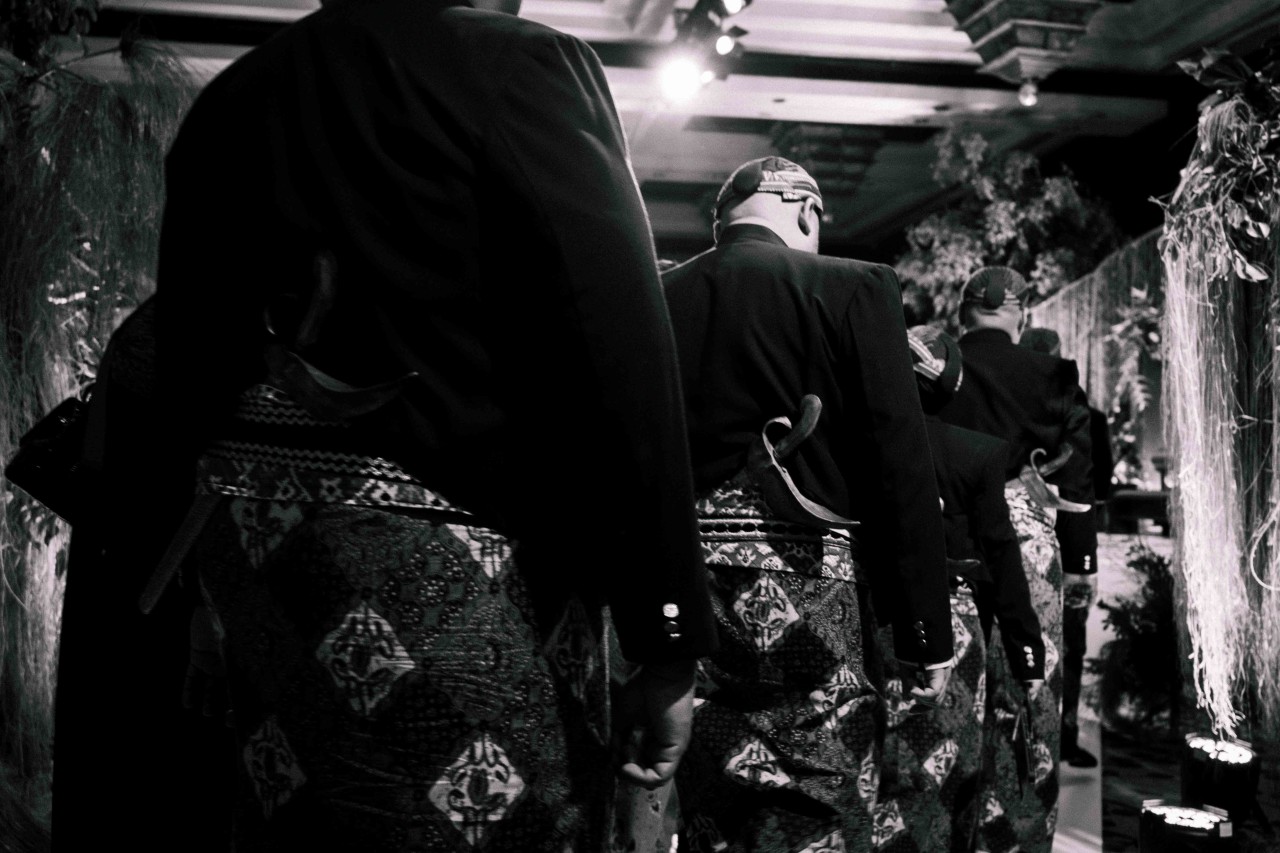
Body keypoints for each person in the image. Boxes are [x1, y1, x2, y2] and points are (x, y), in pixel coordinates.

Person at [150, 0, 717, 847]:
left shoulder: (234, 93)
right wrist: (665, 633)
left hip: (262, 561)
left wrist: (202, 596)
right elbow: (616, 347)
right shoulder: (518, 65)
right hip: (457, 553)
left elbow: (188, 368)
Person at [661, 156, 954, 853]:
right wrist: (923, 628)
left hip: (680, 588)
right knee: (819, 798)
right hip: (805, 591)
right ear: (804, 209)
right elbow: (898, 462)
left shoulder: (659, 295)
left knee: (706, 801)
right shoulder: (854, 285)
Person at [938, 268, 1097, 853]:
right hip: (1026, 544)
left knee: (946, 691)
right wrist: (1080, 561)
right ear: (1021, 313)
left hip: (947, 539)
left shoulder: (936, 365)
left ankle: (939, 830)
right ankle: (1013, 834)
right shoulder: (1051, 374)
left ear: (963, 312)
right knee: (1027, 689)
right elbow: (1077, 476)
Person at [877, 325, 1045, 853]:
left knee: (874, 767)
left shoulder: (859, 446)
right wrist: (1025, 651)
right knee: (946, 772)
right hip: (956, 631)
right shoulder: (977, 453)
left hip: (872, 615)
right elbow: (1001, 554)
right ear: (951, 386)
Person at [1018, 326, 1111, 768]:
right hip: (1065, 539)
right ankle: (1063, 738)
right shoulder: (1081, 408)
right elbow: (1092, 487)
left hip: (1011, 542)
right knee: (1070, 644)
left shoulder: (1003, 401)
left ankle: (1027, 741)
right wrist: (1083, 561)